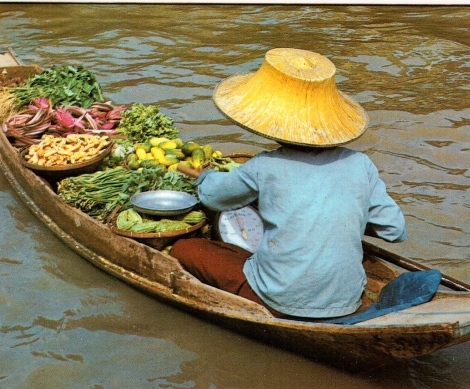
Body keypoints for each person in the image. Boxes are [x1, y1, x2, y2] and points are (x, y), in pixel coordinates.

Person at [172, 48, 406, 320]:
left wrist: (205, 176)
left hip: (280, 299)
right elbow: (394, 230)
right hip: (347, 298)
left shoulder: (265, 165)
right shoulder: (360, 163)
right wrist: (340, 214)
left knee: (185, 249)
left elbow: (214, 198)